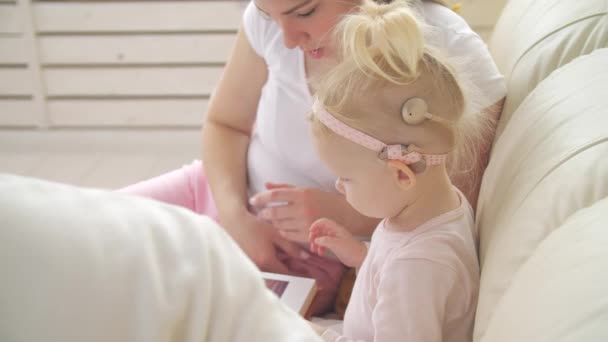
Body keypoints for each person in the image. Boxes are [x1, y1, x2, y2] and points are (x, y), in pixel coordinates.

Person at [120, 0, 505, 315]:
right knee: (87, 229)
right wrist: (236, 216)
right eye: (271, 16)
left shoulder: (443, 46)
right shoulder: (272, 21)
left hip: (312, 251)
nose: (287, 39)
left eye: (305, 12)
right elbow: (225, 124)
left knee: (157, 308)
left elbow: (451, 208)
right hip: (217, 189)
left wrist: (344, 214)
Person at [305, 1, 482, 340]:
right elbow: (392, 278)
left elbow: (405, 279)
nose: (339, 187)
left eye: (347, 178)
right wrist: (361, 257)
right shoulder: (430, 213)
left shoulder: (419, 268)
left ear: (402, 173)